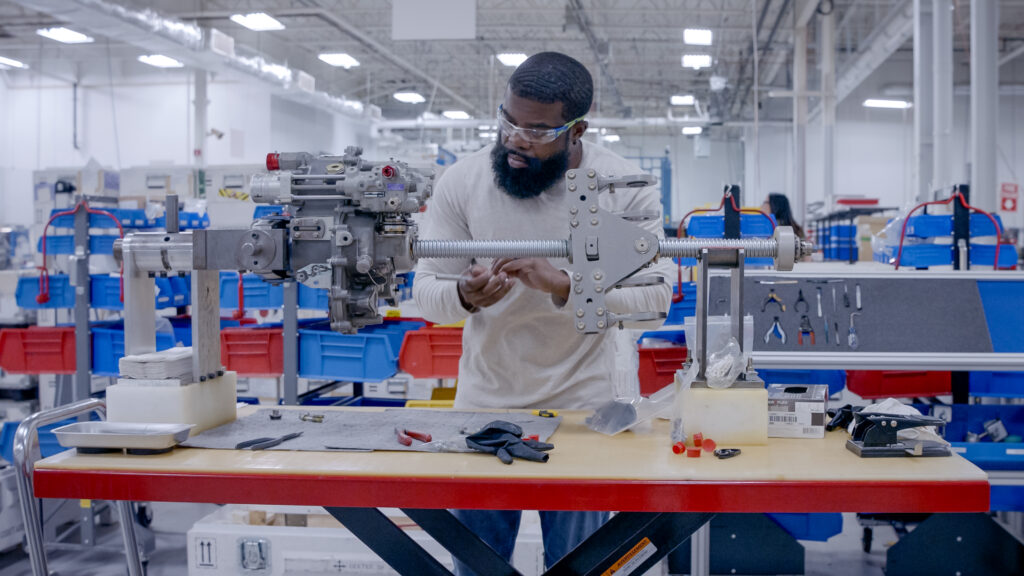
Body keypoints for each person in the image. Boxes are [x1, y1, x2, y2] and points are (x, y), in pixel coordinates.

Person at [413, 52, 675, 573]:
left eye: (536, 129)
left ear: (578, 129)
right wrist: (465, 297)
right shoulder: (462, 182)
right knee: (477, 566)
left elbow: (654, 302)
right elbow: (426, 290)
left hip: (583, 410)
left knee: (579, 566)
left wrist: (565, 284)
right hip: (484, 408)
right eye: (507, 120)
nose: (515, 138)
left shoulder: (623, 188)